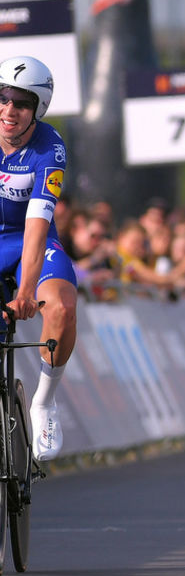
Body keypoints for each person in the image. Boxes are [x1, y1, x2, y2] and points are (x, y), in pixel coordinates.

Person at [0, 56, 79, 461]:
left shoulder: (50, 146)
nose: (9, 110)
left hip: (32, 239)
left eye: (22, 102)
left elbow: (36, 224)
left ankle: (44, 401)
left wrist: (27, 292)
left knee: (61, 308)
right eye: (2, 97)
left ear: (38, 110)